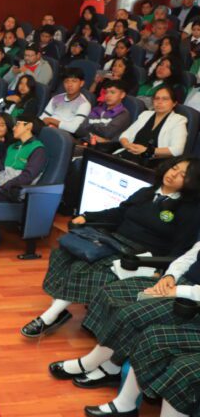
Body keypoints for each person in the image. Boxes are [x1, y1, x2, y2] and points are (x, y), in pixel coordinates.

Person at [21, 156, 200, 339]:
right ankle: (58, 310)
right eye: (174, 168)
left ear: (191, 182)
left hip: (139, 255)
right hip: (114, 241)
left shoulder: (189, 210)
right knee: (62, 253)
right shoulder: (146, 192)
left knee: (81, 268)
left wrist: (162, 271)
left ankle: (48, 317)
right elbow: (118, 213)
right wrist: (87, 217)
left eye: (183, 175)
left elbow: (181, 248)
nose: (173, 174)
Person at [48, 203, 200, 391]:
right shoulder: (146, 194)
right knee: (108, 293)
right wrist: (170, 276)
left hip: (192, 297)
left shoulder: (188, 210)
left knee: (131, 315)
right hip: (179, 281)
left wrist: (179, 291)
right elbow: (189, 256)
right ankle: (111, 365)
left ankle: (92, 363)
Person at [116, 86, 188, 166]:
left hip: (151, 162)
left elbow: (177, 150)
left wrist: (147, 150)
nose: (159, 102)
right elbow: (124, 135)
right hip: (129, 154)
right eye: (157, 98)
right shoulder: (145, 114)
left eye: (165, 99)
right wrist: (127, 145)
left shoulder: (178, 120)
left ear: (174, 103)